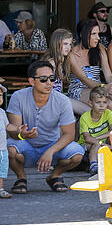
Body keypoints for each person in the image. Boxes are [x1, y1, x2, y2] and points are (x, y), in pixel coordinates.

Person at [5, 61, 85, 194]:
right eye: (43, 79)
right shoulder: (18, 96)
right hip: (27, 146)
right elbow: (14, 131)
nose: (49, 83)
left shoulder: (62, 100)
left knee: (77, 154)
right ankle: (21, 178)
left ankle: (55, 175)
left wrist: (50, 151)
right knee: (10, 148)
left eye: (52, 79)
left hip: (52, 146)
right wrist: (22, 134)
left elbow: (69, 134)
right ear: (31, 81)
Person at [68, 19, 112, 107]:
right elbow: (84, 79)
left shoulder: (100, 49)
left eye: (98, 34)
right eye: (94, 34)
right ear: (82, 34)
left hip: (100, 88)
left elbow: (109, 75)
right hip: (80, 89)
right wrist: (104, 87)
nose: (98, 38)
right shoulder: (72, 55)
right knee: (107, 103)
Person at [43, 28, 91, 115]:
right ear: (56, 44)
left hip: (59, 97)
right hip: (51, 100)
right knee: (88, 112)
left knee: (88, 111)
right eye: (65, 44)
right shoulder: (51, 63)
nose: (68, 47)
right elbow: (45, 88)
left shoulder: (61, 60)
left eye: (70, 44)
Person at [78, 86, 112, 175]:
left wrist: (97, 138)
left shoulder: (108, 113)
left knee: (111, 140)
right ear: (90, 103)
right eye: (98, 102)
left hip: (99, 143)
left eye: (105, 102)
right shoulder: (85, 117)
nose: (102, 105)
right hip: (85, 146)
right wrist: (103, 144)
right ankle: (93, 165)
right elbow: (87, 139)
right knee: (95, 144)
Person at [0, 84, 12, 198]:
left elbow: (8, 126)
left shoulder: (2, 112)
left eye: (0, 95)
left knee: (1, 171)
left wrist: (19, 129)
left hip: (2, 149)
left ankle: (0, 188)